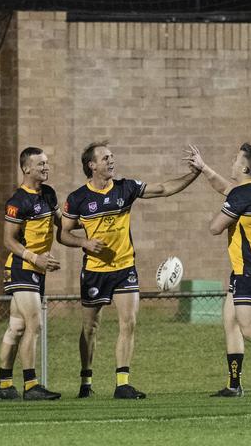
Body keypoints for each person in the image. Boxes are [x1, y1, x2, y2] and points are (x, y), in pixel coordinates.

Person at [59, 141, 200, 399]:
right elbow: (64, 234)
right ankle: (86, 381)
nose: (111, 160)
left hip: (125, 267)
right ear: (91, 165)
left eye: (112, 156)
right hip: (94, 271)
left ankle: (122, 383)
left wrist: (195, 173)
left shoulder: (126, 188)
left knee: (129, 322)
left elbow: (163, 189)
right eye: (105, 158)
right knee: (90, 327)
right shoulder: (77, 198)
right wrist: (84, 243)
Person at [186, 143, 251, 398]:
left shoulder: (241, 196)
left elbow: (215, 227)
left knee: (250, 328)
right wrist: (204, 167)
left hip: (250, 273)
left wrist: (220, 213)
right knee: (230, 322)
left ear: (244, 167)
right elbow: (224, 188)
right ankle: (234, 384)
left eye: (235, 159)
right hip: (250, 271)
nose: (231, 163)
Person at [0, 147, 62, 401]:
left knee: (16, 327)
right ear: (26, 169)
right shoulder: (17, 201)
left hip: (37, 270)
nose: (46, 167)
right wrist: (36, 259)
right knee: (35, 324)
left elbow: (63, 224)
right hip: (22, 268)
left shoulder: (48, 194)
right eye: (41, 164)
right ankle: (31, 385)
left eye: (47, 163)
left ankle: (4, 384)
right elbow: (9, 241)